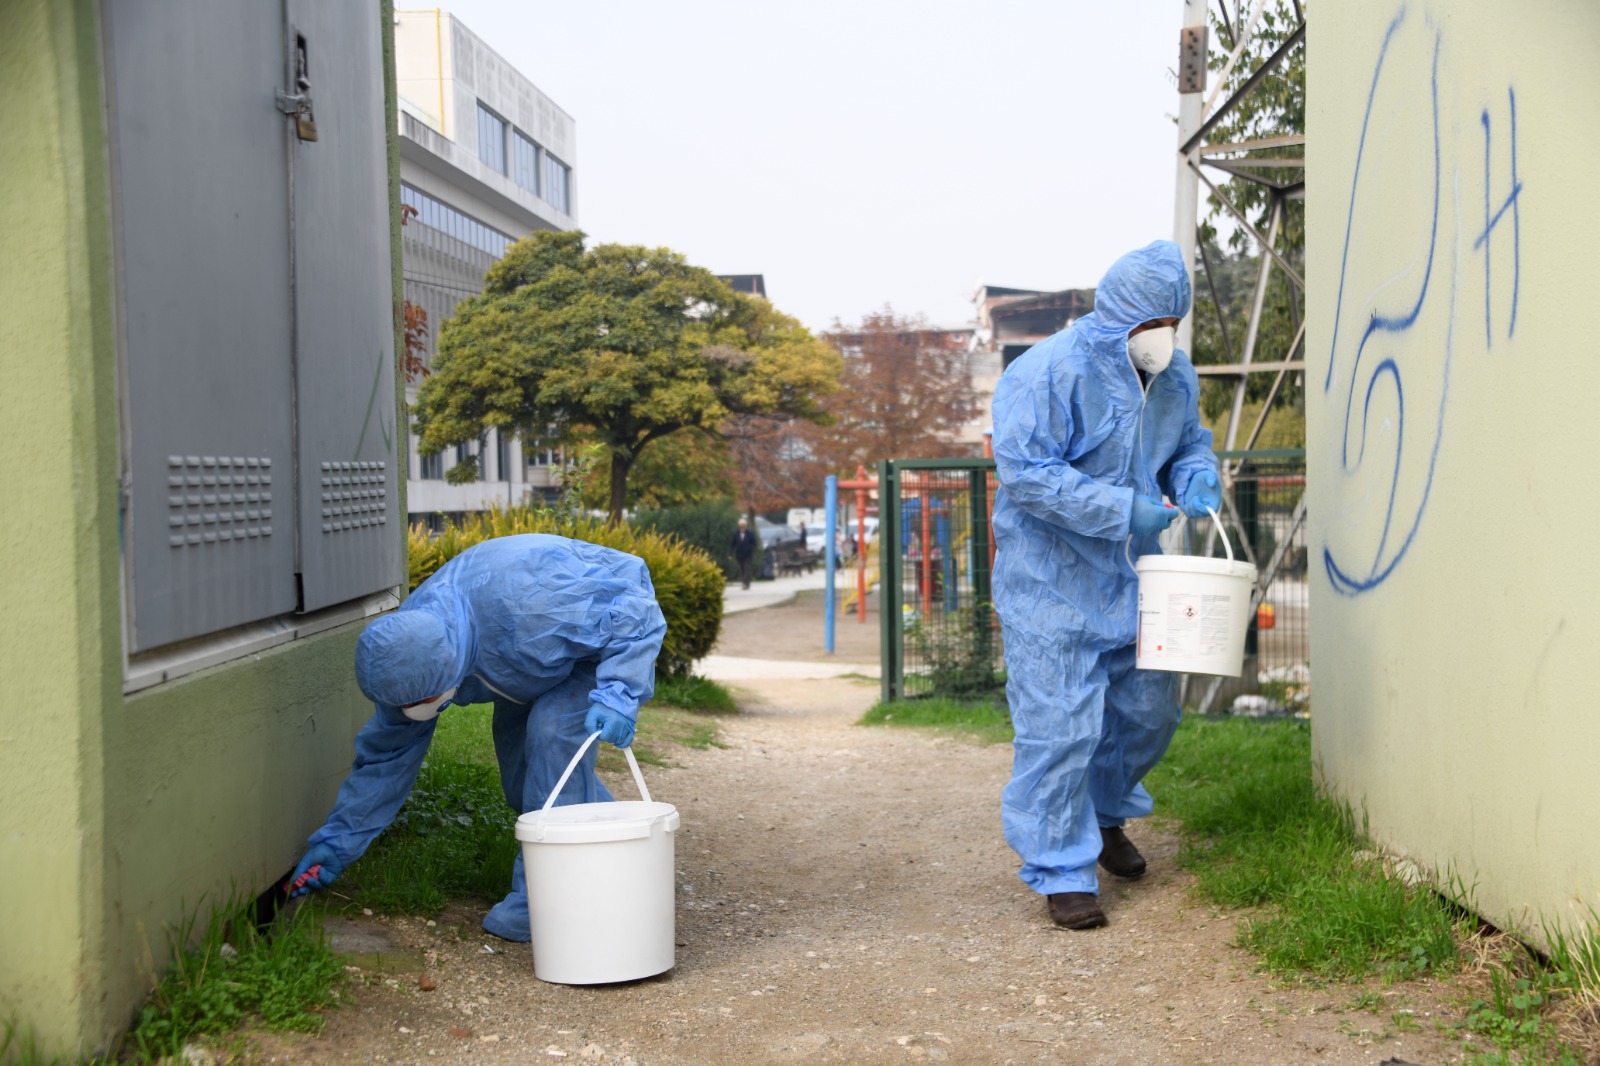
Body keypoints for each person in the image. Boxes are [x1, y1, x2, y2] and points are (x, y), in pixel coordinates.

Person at [989, 240, 1223, 931]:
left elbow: (1189, 444)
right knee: (1060, 726)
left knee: (1147, 713)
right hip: (1050, 584)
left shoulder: (1176, 378)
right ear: (1120, 315)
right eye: (1153, 324)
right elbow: (1028, 473)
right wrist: (1123, 508)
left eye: (1172, 323)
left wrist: (1193, 476)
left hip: (1136, 578)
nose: (1164, 337)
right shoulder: (1046, 373)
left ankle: (1105, 814)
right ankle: (1063, 867)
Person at [286, 533, 667, 942]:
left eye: (419, 702)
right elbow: (386, 760)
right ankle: (624, 860)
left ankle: (546, 906)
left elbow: (632, 605)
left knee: (552, 734)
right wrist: (338, 843)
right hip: (526, 665)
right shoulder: (405, 652)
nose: (410, 713)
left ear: (447, 672)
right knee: (524, 783)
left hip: (588, 646)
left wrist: (617, 693)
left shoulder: (528, 603)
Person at [729, 516, 757, 589]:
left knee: (747, 568)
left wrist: (750, 548)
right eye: (741, 525)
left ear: (746, 525)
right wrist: (730, 554)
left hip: (748, 554)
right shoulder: (735, 534)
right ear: (739, 526)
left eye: (743, 525)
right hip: (739, 554)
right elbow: (732, 544)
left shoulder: (750, 533)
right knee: (741, 569)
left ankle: (746, 583)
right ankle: (744, 582)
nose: (742, 527)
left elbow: (754, 543)